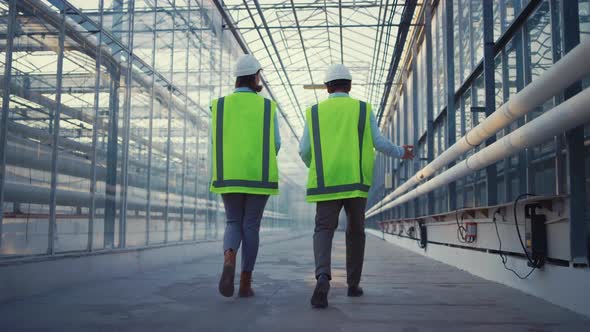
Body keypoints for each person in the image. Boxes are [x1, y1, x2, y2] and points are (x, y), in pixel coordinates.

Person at [299, 64, 414, 308]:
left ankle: (322, 277)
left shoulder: (314, 112)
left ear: (327, 87)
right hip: (356, 182)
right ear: (349, 86)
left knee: (323, 230)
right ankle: (353, 285)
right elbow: (380, 143)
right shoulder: (363, 109)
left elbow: (304, 150)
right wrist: (401, 152)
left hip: (326, 181)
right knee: (355, 232)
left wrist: (317, 165)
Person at [210, 54, 281, 298]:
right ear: (255, 77)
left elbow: (216, 140)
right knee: (251, 226)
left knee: (232, 222)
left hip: (229, 174)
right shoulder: (267, 106)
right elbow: (277, 143)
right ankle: (245, 283)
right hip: (258, 176)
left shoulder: (219, 105)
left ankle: (229, 256)